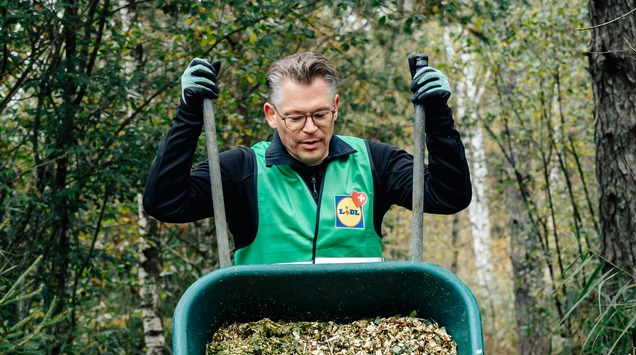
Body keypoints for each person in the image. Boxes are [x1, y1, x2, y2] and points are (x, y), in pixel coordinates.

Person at [142, 51, 472, 264]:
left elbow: (448, 195)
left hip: (360, 342)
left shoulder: (372, 162)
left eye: (320, 115)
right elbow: (164, 203)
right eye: (296, 118)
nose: (310, 129)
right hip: (266, 342)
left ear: (336, 107)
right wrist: (189, 116)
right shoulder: (242, 170)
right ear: (271, 115)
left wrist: (438, 117)